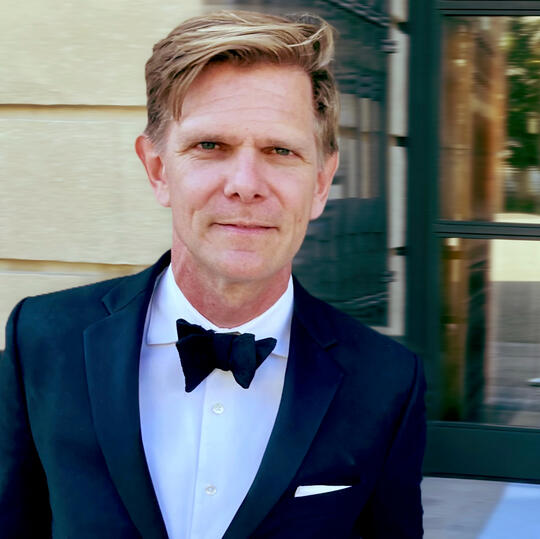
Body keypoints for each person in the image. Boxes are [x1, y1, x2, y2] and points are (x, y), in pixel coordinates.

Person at [0, 10, 426, 539]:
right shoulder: (42, 341)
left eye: (280, 150)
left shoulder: (387, 381)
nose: (245, 184)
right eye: (210, 146)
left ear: (321, 182)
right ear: (158, 168)